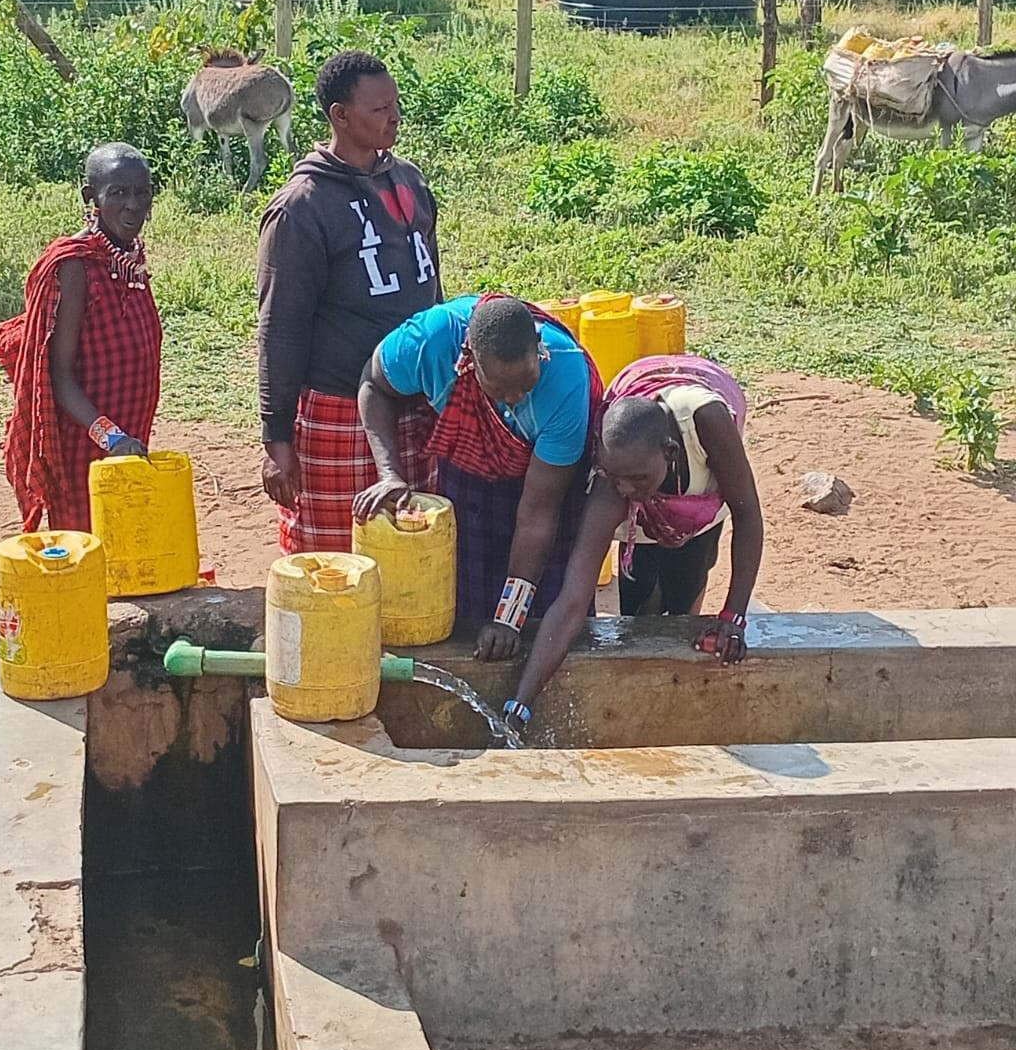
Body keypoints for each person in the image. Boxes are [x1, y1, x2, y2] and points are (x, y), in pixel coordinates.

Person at [504, 354, 764, 733]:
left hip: (702, 504)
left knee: (685, 589)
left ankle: (682, 710)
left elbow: (748, 514)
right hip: (644, 517)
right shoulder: (615, 484)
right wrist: (521, 703)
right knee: (640, 597)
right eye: (615, 478)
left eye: (636, 479)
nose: (625, 489)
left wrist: (733, 619)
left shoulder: (706, 422)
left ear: (669, 453)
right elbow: (573, 600)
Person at [257, 50, 440, 554]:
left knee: (411, 558)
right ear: (340, 115)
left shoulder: (409, 180)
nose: (395, 116)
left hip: (415, 404)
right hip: (339, 410)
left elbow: (434, 291)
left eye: (396, 104)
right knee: (337, 562)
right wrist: (277, 440)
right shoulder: (301, 208)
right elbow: (280, 329)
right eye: (380, 109)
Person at [354, 294, 603, 660]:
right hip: (472, 469)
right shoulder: (430, 342)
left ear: (540, 347)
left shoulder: (566, 377)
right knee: (468, 602)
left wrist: (510, 617)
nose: (515, 397)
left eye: (526, 383)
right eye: (500, 389)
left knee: (548, 612)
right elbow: (373, 384)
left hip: (551, 482)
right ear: (470, 362)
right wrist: (389, 473)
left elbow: (537, 514)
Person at [0, 143, 161, 532]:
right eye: (118, 193)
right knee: (87, 554)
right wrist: (110, 436)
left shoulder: (127, 259)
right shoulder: (74, 266)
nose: (133, 205)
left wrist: (123, 440)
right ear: (91, 198)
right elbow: (59, 376)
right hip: (84, 443)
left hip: (127, 439)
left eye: (142, 192)